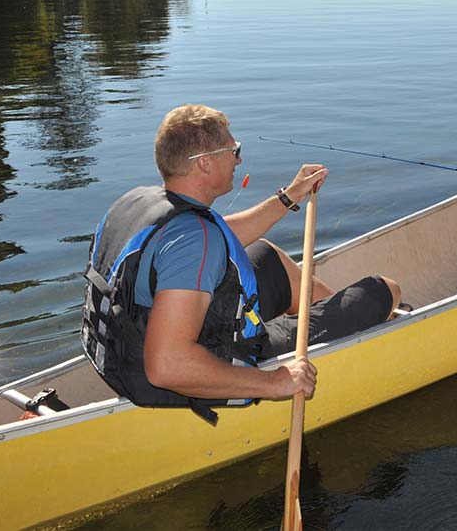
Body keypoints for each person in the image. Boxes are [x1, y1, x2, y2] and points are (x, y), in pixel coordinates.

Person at [80, 104, 400, 424]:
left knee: (267, 256)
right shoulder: (195, 241)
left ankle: (339, 335)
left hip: (125, 353)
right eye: (233, 150)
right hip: (198, 369)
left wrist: (289, 197)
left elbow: (220, 237)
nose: (238, 159)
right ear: (204, 163)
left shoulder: (142, 201)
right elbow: (167, 365)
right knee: (385, 291)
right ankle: (347, 338)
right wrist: (275, 381)